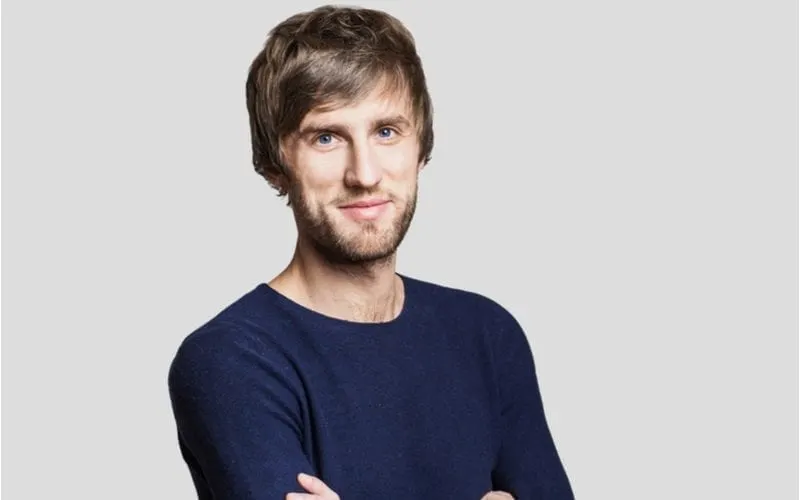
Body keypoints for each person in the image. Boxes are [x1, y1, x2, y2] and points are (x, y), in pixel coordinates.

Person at [167, 5, 574, 500]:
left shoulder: (488, 335)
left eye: (386, 132)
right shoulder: (230, 360)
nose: (364, 173)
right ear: (275, 165)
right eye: (326, 137)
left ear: (420, 147)